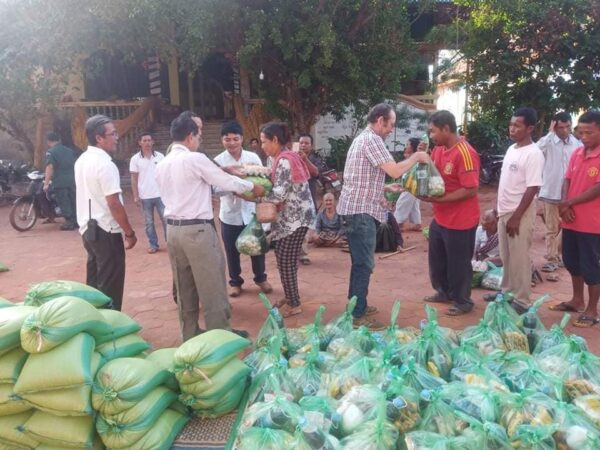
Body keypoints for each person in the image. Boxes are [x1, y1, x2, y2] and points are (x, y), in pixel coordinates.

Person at [155, 111, 265, 341]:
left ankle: (190, 332)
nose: (199, 139)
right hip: (197, 231)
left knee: (185, 287)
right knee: (212, 285)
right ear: (190, 136)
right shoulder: (194, 159)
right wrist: (252, 187)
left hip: (173, 230)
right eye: (198, 135)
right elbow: (225, 182)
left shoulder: (162, 163)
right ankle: (220, 336)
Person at [337, 103, 429, 328]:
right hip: (360, 212)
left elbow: (361, 178)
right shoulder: (372, 140)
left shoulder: (364, 139)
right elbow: (396, 170)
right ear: (380, 121)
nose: (391, 130)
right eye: (391, 125)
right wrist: (417, 157)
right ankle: (357, 314)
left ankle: (357, 305)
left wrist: (386, 189)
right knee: (363, 264)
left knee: (361, 263)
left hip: (357, 209)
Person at [420, 110, 481, 316]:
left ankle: (463, 300)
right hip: (441, 217)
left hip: (461, 220)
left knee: (459, 263)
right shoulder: (438, 149)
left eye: (433, 132)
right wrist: (421, 158)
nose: (431, 136)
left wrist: (440, 200)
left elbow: (471, 189)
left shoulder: (465, 152)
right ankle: (443, 291)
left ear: (446, 129)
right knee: (437, 259)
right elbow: (432, 173)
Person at [75, 115, 137, 311]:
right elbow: (114, 203)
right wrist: (129, 232)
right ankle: (111, 326)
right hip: (106, 230)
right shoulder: (105, 164)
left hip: (88, 229)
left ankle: (93, 320)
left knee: (94, 280)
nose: (117, 137)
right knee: (111, 284)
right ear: (99, 138)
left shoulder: (82, 160)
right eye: (113, 134)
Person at [485, 107, 545, 313]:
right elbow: (507, 182)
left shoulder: (534, 154)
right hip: (505, 211)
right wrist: (498, 208)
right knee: (506, 255)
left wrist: (516, 217)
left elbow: (533, 187)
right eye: (511, 125)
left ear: (530, 128)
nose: (512, 129)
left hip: (520, 213)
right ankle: (507, 292)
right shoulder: (512, 149)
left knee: (519, 257)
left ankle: (522, 300)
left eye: (517, 126)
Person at [550, 110, 600, 327]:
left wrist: (569, 203)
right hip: (571, 218)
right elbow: (567, 180)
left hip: (592, 223)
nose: (584, 136)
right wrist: (564, 203)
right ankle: (577, 300)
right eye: (581, 132)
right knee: (571, 261)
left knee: (591, 266)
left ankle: (592, 309)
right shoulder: (577, 154)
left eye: (589, 132)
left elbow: (597, 188)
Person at [260, 122, 315, 318]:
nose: (262, 146)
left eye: (264, 141)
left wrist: (255, 194)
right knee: (285, 260)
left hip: (296, 219)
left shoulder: (284, 160)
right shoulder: (283, 158)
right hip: (295, 217)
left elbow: (278, 195)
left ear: (275, 140)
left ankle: (294, 304)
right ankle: (291, 297)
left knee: (285, 260)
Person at [213, 120, 272, 297]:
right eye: (227, 139)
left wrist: (250, 192)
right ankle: (235, 282)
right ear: (222, 140)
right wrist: (235, 188)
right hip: (229, 214)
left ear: (242, 139)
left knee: (257, 247)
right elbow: (215, 188)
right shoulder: (218, 161)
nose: (231, 143)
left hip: (251, 212)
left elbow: (262, 182)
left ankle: (261, 278)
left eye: (235, 139)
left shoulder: (252, 158)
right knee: (231, 250)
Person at [536, 112, 580, 267]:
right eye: (560, 127)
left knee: (569, 225)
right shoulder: (547, 141)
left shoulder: (577, 144)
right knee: (551, 227)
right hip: (551, 190)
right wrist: (549, 133)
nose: (564, 130)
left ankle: (560, 254)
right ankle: (552, 257)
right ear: (554, 127)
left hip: (571, 193)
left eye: (567, 127)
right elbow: (536, 151)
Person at [129, 131, 167, 254]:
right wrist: (136, 196)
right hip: (145, 196)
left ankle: (171, 243)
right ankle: (153, 244)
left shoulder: (160, 157)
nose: (147, 143)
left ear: (153, 142)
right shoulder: (135, 159)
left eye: (149, 140)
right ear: (139, 142)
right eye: (144, 140)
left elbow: (166, 175)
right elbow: (134, 179)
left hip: (161, 195)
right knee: (149, 223)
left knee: (166, 220)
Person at [297, 133, 327, 265]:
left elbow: (316, 173)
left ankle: (302, 255)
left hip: (308, 200)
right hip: (294, 199)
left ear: (311, 146)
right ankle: (290, 255)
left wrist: (305, 160)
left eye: (306, 143)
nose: (303, 145)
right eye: (301, 143)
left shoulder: (315, 159)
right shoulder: (292, 157)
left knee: (304, 229)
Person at [43, 131, 77, 230]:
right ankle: (76, 221)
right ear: (58, 140)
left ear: (48, 141)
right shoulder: (69, 151)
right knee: (73, 200)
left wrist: (46, 183)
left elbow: (50, 167)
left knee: (64, 201)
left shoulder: (51, 152)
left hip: (59, 181)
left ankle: (69, 222)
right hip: (72, 179)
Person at [394, 137, 424, 231]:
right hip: (415, 184)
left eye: (407, 145)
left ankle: (397, 223)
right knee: (414, 204)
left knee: (402, 203)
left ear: (412, 147)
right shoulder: (414, 156)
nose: (406, 147)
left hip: (411, 184)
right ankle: (417, 223)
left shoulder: (414, 157)